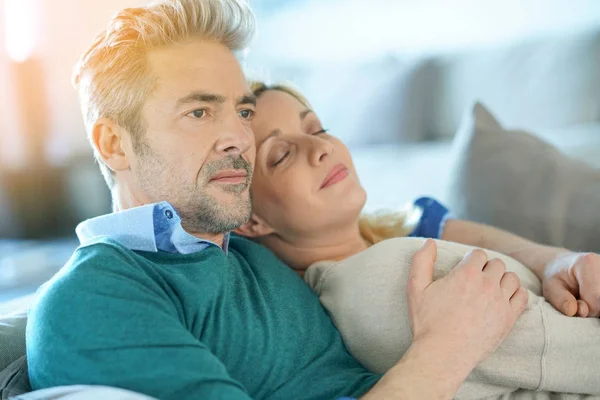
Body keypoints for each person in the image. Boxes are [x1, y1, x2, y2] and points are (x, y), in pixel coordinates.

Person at [25, 1, 527, 399]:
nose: (238, 140)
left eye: (242, 113)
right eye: (200, 112)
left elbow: (402, 222)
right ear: (114, 144)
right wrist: (445, 350)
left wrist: (554, 262)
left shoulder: (254, 248)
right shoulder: (96, 296)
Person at [235, 81, 600, 398]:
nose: (322, 148)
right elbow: (576, 355)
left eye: (316, 129)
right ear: (250, 220)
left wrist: (557, 259)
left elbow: (478, 237)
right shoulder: (386, 280)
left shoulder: (404, 232)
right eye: (281, 156)